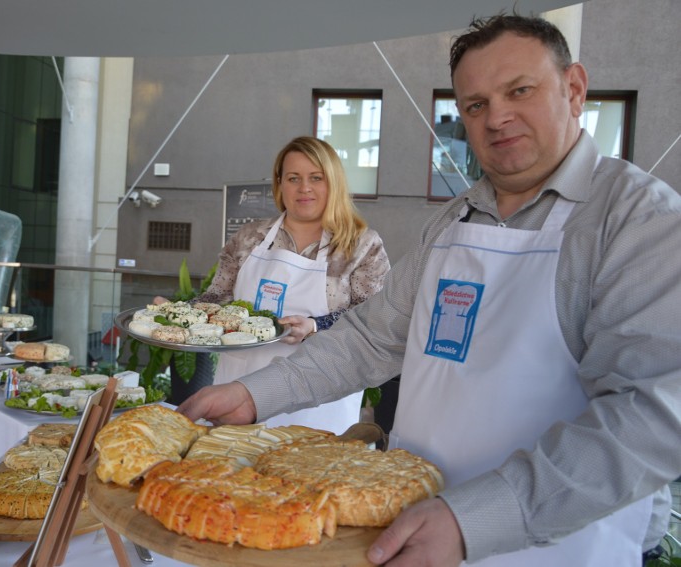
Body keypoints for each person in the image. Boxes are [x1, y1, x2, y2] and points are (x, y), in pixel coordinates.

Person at [179, 14, 681, 567]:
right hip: (408, 523)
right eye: (475, 105)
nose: (497, 117)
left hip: (552, 545)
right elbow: (370, 340)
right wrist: (256, 394)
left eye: (520, 90)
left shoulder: (639, 219)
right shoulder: (452, 222)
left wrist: (476, 519)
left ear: (575, 89)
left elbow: (650, 414)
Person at [163, 135, 390, 434]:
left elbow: (373, 322)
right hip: (237, 390)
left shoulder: (361, 246)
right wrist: (177, 313)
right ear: (280, 184)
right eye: (293, 178)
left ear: (333, 183)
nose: (304, 188)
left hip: (319, 403)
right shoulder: (250, 238)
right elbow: (216, 298)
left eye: (316, 178)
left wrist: (315, 325)